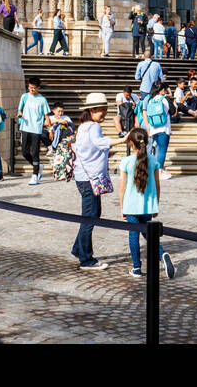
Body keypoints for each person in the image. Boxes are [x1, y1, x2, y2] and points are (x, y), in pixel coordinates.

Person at [117, 127, 175, 280]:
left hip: (131, 206)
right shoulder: (154, 161)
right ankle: (162, 255)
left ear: (131, 143)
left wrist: (122, 207)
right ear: (147, 142)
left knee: (134, 235)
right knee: (148, 233)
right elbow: (157, 185)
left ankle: (136, 267)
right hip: (148, 206)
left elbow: (121, 188)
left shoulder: (126, 161)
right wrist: (156, 205)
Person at [71, 91, 120, 271]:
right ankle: (86, 259)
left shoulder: (83, 126)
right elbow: (100, 143)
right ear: (92, 110)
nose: (104, 113)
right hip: (89, 179)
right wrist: (123, 139)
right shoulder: (93, 127)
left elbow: (89, 149)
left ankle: (78, 248)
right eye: (102, 110)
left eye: (105, 110)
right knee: (90, 217)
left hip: (83, 177)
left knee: (93, 214)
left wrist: (106, 152)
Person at [137, 81, 174, 183]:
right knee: (162, 150)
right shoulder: (164, 99)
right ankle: (160, 171)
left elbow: (147, 114)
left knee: (156, 149)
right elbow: (173, 112)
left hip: (153, 129)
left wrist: (148, 128)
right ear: (161, 89)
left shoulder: (150, 100)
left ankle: (155, 170)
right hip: (164, 129)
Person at [18, 76, 50, 185]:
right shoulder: (24, 97)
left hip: (36, 128)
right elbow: (20, 110)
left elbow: (47, 116)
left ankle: (35, 175)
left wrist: (49, 127)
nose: (31, 90)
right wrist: (20, 114)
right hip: (25, 127)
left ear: (38, 88)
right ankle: (38, 166)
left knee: (35, 152)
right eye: (30, 87)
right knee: (25, 152)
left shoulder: (42, 100)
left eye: (34, 88)